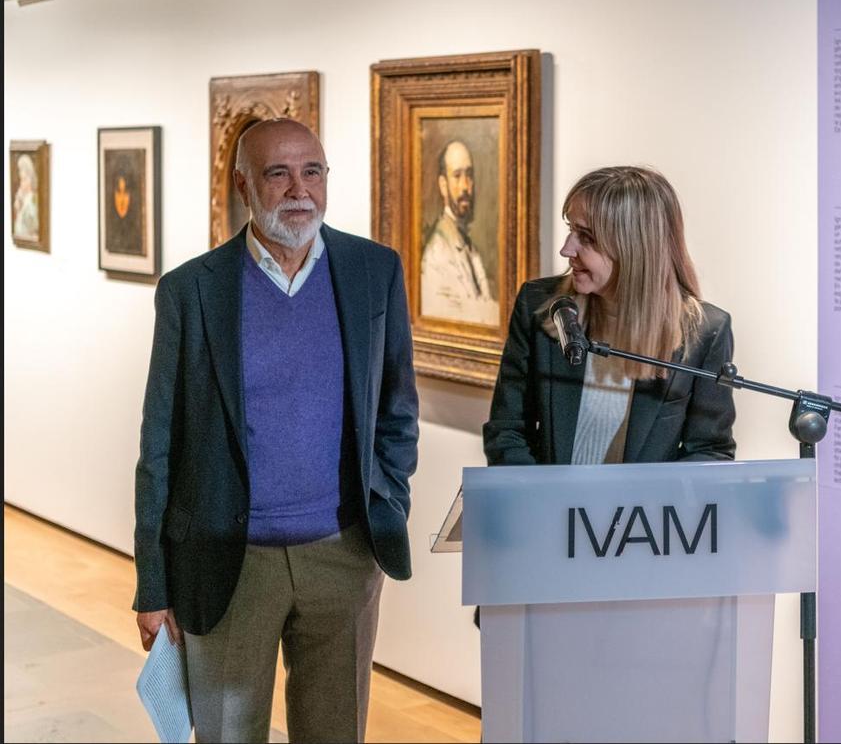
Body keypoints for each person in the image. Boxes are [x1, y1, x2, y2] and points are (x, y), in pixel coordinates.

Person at [132, 118, 419, 743]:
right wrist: (152, 584)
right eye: (278, 173)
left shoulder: (374, 270)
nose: (300, 189)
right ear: (243, 185)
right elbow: (160, 445)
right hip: (228, 562)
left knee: (335, 732)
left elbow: (397, 409)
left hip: (344, 555)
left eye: (312, 171)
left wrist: (388, 498)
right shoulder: (191, 290)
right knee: (229, 734)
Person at [484, 165, 735, 468]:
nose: (567, 249)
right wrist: (543, 503)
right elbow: (506, 431)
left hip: (645, 515)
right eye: (571, 230)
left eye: (586, 237)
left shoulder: (707, 331)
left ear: (634, 248)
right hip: (546, 511)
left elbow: (709, 451)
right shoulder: (538, 305)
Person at [420, 139, 499, 326]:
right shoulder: (436, 254)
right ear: (443, 185)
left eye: (469, 175)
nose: (465, 186)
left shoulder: (470, 247)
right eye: (457, 176)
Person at [13, 152, 39, 241]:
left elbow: (33, 225)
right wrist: (19, 203)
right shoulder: (24, 197)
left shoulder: (32, 199)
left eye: (24, 180)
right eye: (21, 180)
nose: (21, 184)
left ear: (30, 179)